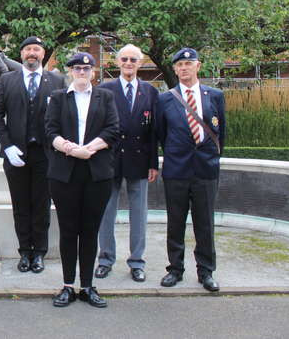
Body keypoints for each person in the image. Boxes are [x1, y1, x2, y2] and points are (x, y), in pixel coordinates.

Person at [45, 52, 119, 308]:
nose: (82, 73)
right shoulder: (57, 98)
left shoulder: (105, 97)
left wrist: (90, 148)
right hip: (64, 173)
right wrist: (71, 149)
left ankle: (87, 286)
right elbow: (50, 131)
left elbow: (113, 129)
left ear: (93, 72)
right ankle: (67, 285)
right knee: (68, 230)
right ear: (70, 72)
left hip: (96, 173)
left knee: (90, 230)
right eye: (77, 69)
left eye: (87, 69)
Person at [0, 36, 65, 274]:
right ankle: (24, 251)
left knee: (41, 204)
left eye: (37, 49)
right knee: (20, 204)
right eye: (28, 49)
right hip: (16, 154)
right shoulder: (7, 80)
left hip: (45, 154)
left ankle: (39, 253)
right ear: (21, 54)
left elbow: (63, 116)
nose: (32, 53)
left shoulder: (56, 80)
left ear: (43, 54)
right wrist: (7, 146)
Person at [156, 48, 225, 292]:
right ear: (174, 69)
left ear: (198, 66)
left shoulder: (214, 95)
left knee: (205, 223)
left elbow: (220, 132)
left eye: (189, 63)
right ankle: (175, 269)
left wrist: (211, 158)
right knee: (175, 222)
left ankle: (206, 271)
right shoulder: (165, 99)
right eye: (180, 64)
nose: (184, 68)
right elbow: (161, 135)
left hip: (205, 170)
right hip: (177, 170)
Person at [95, 44, 159, 283]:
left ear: (140, 63)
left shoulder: (150, 92)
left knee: (139, 214)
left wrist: (154, 163)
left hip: (140, 160)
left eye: (133, 59)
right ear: (117, 62)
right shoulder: (105, 89)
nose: (129, 63)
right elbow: (98, 126)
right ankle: (105, 259)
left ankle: (136, 262)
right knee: (106, 213)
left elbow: (154, 131)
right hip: (110, 160)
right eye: (124, 59)